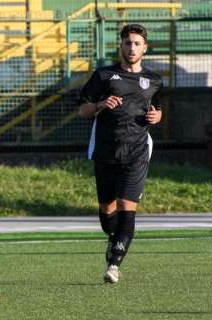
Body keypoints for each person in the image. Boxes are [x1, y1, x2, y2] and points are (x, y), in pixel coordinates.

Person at [77, 24, 163, 284]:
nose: (132, 47)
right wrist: (102, 104)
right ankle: (112, 239)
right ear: (121, 46)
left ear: (145, 48)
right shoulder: (104, 76)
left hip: (137, 152)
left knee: (128, 209)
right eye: (128, 43)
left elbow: (157, 109)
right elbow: (82, 110)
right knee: (107, 210)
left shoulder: (155, 81)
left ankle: (113, 264)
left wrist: (157, 116)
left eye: (137, 43)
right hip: (105, 151)